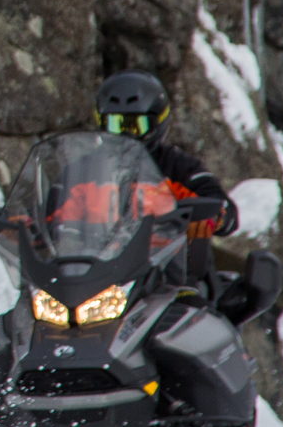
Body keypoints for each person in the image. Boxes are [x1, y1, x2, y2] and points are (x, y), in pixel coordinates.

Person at [95, 69, 239, 287]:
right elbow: (56, 204)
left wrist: (217, 214)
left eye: (136, 126)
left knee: (191, 305)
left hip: (172, 275)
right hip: (99, 274)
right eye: (116, 125)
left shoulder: (178, 166)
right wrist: (29, 222)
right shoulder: (89, 170)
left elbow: (220, 203)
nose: (126, 136)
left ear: (156, 124)